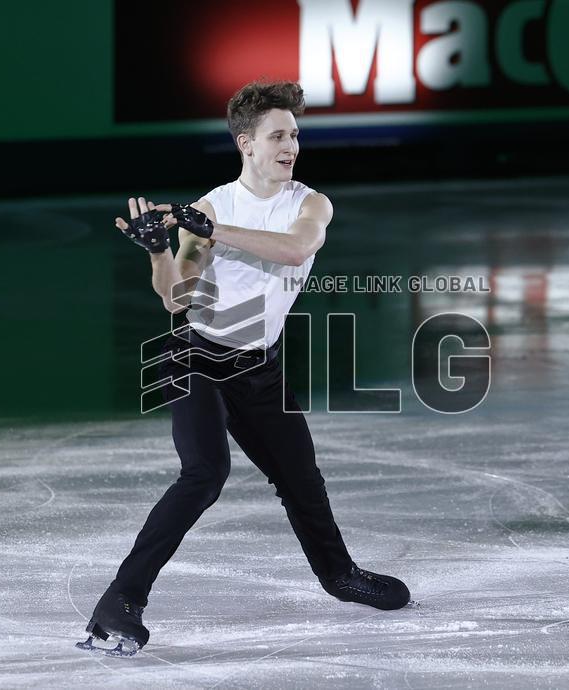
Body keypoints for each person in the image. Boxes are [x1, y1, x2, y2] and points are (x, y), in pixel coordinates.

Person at [77, 81, 409, 657]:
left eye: (295, 135)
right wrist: (160, 252)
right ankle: (120, 603)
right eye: (277, 136)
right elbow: (176, 298)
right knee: (204, 474)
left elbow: (293, 250)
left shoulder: (308, 204)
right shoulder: (212, 205)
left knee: (302, 481)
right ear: (246, 144)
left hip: (260, 366)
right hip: (193, 356)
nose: (291, 146)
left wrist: (207, 232)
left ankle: (339, 576)